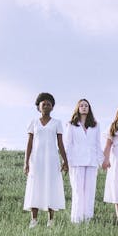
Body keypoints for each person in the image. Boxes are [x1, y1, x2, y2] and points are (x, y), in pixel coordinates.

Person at [23, 92, 68, 228]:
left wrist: (65, 161)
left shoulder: (57, 123)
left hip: (52, 160)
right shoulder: (33, 123)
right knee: (35, 187)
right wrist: (26, 163)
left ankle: (51, 220)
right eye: (44, 104)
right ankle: (34, 220)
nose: (46, 106)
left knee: (51, 186)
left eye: (49, 104)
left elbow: (60, 144)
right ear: (38, 107)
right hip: (36, 160)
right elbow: (29, 143)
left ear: (52, 107)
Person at [64, 99, 104, 223]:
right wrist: (66, 161)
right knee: (78, 190)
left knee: (90, 191)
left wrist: (101, 160)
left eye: (86, 105)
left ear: (89, 108)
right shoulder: (71, 125)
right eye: (81, 105)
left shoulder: (95, 125)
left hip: (92, 162)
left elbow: (98, 144)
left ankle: (87, 218)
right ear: (78, 108)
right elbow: (68, 144)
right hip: (76, 162)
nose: (84, 107)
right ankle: (76, 218)